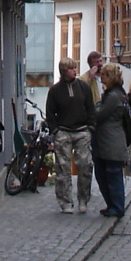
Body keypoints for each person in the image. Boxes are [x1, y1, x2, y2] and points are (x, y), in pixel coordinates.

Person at [46, 57, 95, 214]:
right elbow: (50, 113)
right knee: (63, 169)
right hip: (63, 131)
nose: (74, 70)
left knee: (85, 165)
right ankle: (65, 201)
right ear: (63, 71)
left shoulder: (84, 87)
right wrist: (55, 131)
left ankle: (83, 199)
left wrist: (91, 127)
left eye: (75, 68)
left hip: (82, 131)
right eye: (71, 68)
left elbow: (90, 108)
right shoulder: (55, 91)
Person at [94, 63, 129, 217]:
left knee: (112, 175)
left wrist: (96, 105)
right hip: (107, 141)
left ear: (110, 77)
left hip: (111, 142)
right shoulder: (115, 94)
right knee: (105, 175)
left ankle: (116, 206)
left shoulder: (113, 96)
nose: (101, 78)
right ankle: (113, 205)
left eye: (104, 75)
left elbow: (99, 114)